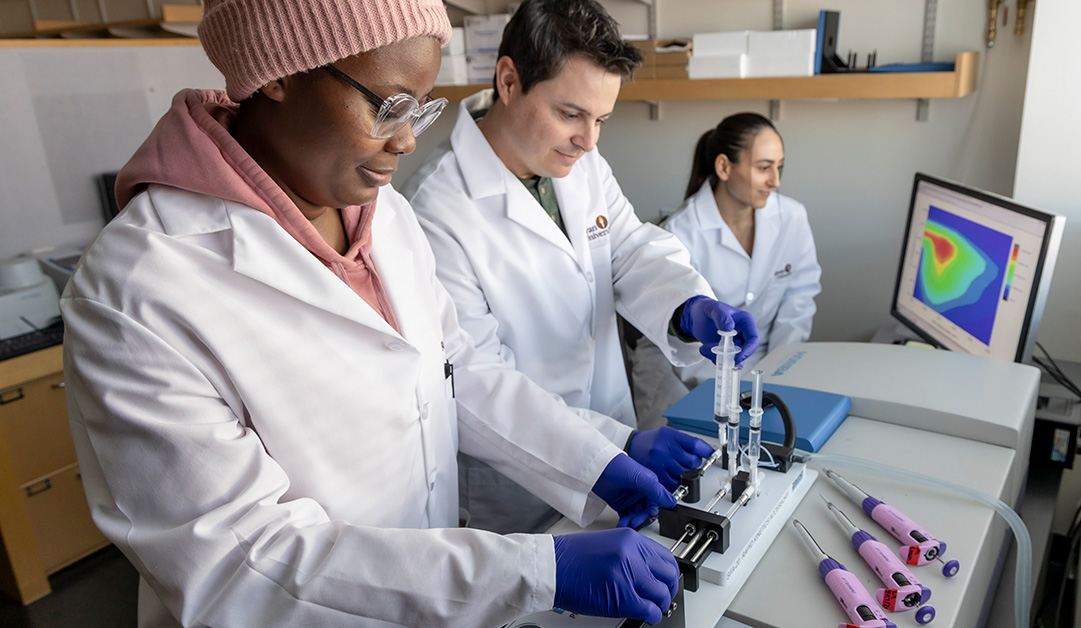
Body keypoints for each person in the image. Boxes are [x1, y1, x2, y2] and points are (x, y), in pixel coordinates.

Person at [61, 1, 689, 626]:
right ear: (278, 72)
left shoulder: (383, 214)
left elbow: (455, 373)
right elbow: (241, 563)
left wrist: (599, 459)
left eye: (420, 106)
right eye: (388, 105)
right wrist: (532, 572)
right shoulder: (138, 289)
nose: (408, 138)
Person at [402, 0, 759, 535]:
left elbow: (629, 247)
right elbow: (477, 383)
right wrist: (612, 450)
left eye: (601, 120)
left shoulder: (580, 162)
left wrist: (688, 306)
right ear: (508, 80)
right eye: (570, 114)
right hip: (525, 485)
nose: (589, 140)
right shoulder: (437, 209)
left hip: (616, 444)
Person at [631, 113, 822, 427]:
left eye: (779, 166)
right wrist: (733, 393)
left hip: (761, 364)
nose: (776, 181)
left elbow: (799, 301)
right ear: (723, 167)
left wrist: (777, 376)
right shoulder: (681, 232)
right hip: (679, 369)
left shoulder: (792, 218)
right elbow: (685, 345)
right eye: (764, 167)